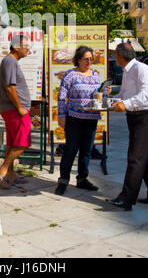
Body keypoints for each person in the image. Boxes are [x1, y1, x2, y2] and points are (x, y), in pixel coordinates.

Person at [107, 43, 148, 211]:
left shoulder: (141, 69)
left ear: (121, 56)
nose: (114, 57)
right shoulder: (127, 71)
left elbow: (147, 95)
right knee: (146, 157)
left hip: (146, 117)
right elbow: (125, 94)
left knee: (135, 158)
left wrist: (125, 104)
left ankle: (126, 198)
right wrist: (113, 101)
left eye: (115, 55)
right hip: (135, 117)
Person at [55, 46, 102, 196]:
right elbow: (61, 97)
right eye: (86, 59)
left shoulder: (95, 74)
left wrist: (103, 93)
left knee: (86, 151)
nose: (89, 61)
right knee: (70, 150)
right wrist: (61, 116)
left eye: (91, 59)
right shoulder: (70, 75)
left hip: (91, 118)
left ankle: (82, 179)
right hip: (74, 118)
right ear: (78, 59)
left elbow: (98, 93)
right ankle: (63, 181)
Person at [0, 34, 32, 188]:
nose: (28, 50)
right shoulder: (10, 61)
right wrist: (20, 107)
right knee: (23, 142)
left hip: (12, 110)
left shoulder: (10, 61)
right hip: (14, 110)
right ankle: (2, 170)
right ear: (16, 47)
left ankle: (10, 173)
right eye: (26, 46)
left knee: (13, 141)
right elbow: (9, 87)